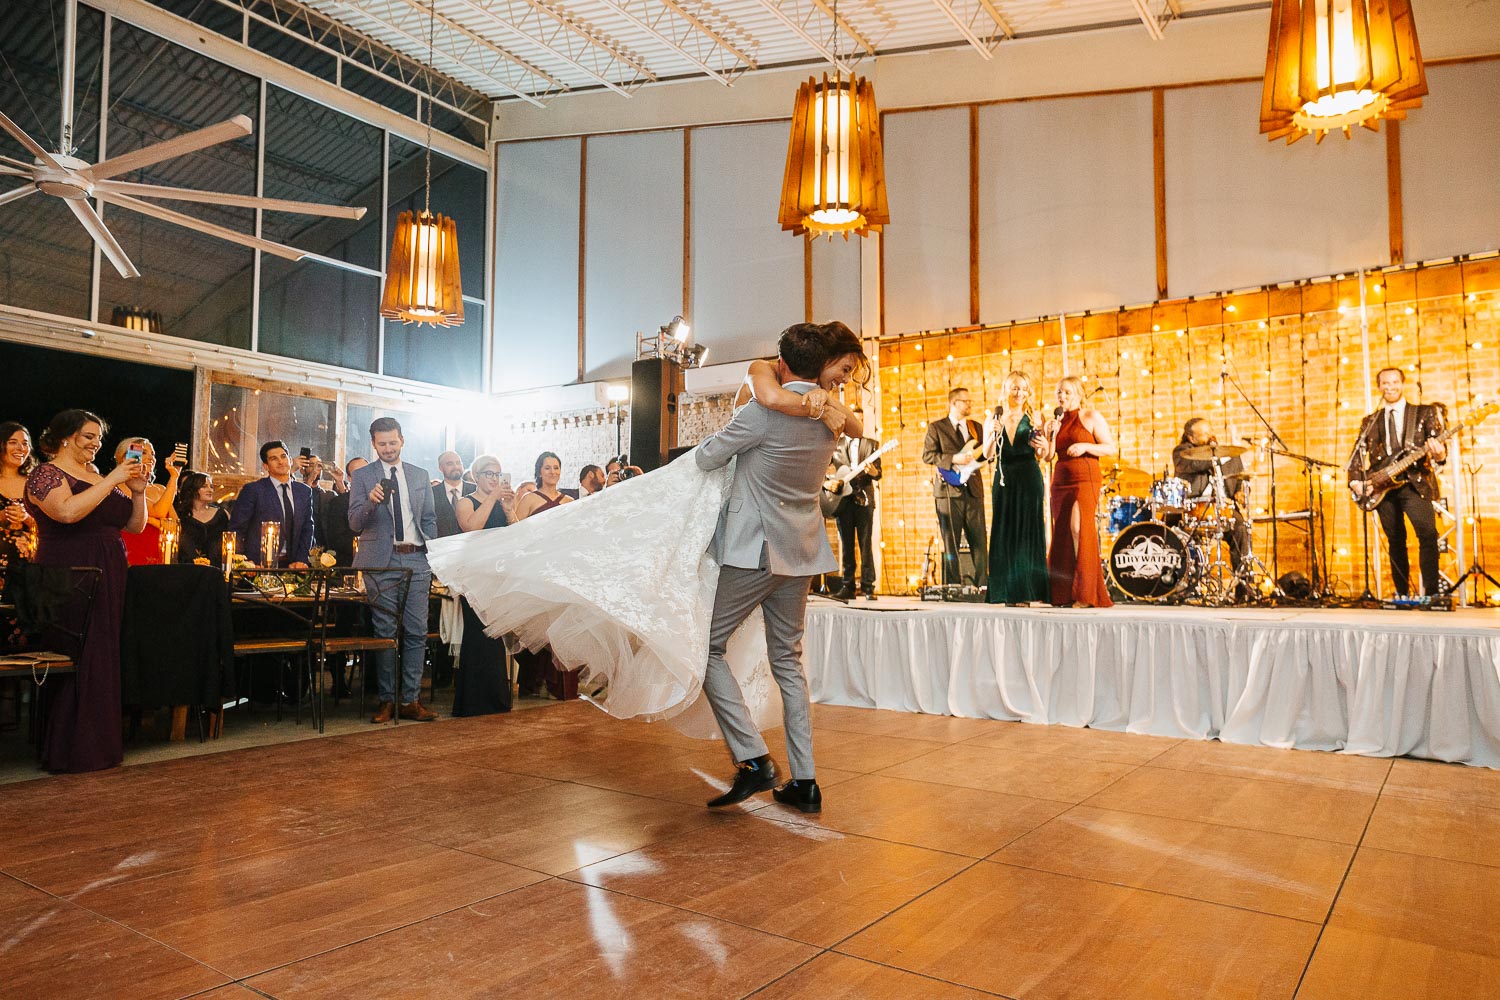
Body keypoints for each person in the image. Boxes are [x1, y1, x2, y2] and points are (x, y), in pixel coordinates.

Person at [426, 321, 867, 796]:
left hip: (754, 552)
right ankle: (806, 780)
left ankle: (753, 757)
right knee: (789, 660)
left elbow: (707, 458)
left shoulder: (762, 413)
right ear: (818, 366)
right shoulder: (831, 420)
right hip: (801, 553)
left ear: (782, 363)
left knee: (707, 647)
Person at [25, 409, 148, 772]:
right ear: (65, 436)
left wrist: (137, 492)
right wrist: (114, 478)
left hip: (109, 567)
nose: (95, 444)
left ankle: (100, 745)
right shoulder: (45, 474)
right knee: (81, 649)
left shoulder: (95, 475)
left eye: (98, 437)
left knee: (105, 651)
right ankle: (70, 748)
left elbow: (134, 526)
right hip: (70, 570)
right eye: (87, 436)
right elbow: (65, 512)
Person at [348, 417, 439, 723]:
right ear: (373, 444)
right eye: (382, 443)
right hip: (379, 562)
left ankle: (411, 700)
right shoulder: (362, 476)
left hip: (416, 559)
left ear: (402, 441)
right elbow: (354, 524)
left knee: (416, 632)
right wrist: (370, 503)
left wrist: (432, 551)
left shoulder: (420, 474)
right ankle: (387, 700)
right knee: (385, 632)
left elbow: (428, 518)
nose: (388, 448)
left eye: (393, 442)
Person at [1347, 367, 1447, 596]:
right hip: (1382, 487)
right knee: (1395, 540)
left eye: (1394, 382)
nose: (1390, 386)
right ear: (1379, 387)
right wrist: (1356, 483)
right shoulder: (1370, 421)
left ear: (1402, 384)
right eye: (1385, 383)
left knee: (1428, 535)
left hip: (1415, 483)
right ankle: (1402, 595)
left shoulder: (1424, 413)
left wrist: (1439, 453)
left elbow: (1440, 454)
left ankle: (1432, 594)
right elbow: (1355, 457)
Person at [1038, 375, 1116, 607]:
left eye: (1067, 392)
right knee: (1061, 532)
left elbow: (1110, 447)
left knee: (1078, 529)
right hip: (1061, 479)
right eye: (1059, 392)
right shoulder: (1055, 421)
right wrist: (1050, 435)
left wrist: (1085, 446)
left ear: (1078, 395)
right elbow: (1049, 456)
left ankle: (1085, 592)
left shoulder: (1091, 417)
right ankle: (1061, 592)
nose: (1062, 396)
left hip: (1085, 478)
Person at [450, 454, 517, 716]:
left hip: (499, 575)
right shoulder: (466, 502)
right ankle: (472, 701)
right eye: (489, 474)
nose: (495, 479)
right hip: (475, 575)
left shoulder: (503, 502)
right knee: (478, 635)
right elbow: (471, 528)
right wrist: (491, 498)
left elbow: (518, 536)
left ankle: (496, 699)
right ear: (476, 477)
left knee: (496, 634)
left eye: (498, 474)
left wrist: (510, 509)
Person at [983, 372, 1050, 605]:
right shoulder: (993, 417)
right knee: (1004, 531)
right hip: (1003, 477)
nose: (1019, 393)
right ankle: (1004, 591)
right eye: (1014, 388)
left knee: (1026, 532)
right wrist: (992, 433)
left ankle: (1025, 592)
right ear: (1005, 388)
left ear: (1028, 391)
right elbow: (987, 454)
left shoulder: (1035, 417)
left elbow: (1042, 454)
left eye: (1023, 388)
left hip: (1029, 476)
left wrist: (1043, 446)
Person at [922, 387, 988, 588]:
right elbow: (928, 456)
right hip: (947, 492)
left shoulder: (976, 427)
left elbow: (984, 455)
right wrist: (953, 459)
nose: (969, 404)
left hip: (973, 490)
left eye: (970, 401)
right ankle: (953, 585)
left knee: (979, 540)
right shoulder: (937, 428)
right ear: (953, 403)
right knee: (950, 542)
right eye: (965, 401)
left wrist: (990, 450)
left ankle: (983, 585)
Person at [1172, 418, 1250, 575]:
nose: (1211, 435)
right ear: (1191, 438)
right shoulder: (1182, 452)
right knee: (1175, 536)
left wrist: (1239, 493)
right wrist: (1220, 458)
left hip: (1223, 509)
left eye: (1210, 430)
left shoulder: (1228, 454)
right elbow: (1196, 464)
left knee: (1242, 529)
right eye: (1205, 433)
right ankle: (1183, 582)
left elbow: (1239, 479)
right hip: (1194, 510)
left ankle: (1244, 587)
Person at [227, 441, 315, 569]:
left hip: (293, 565)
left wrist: (302, 560)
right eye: (274, 459)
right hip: (258, 564)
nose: (281, 461)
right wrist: (244, 562)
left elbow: (308, 528)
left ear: (290, 460)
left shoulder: (304, 491)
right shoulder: (254, 490)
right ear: (266, 466)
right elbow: (237, 529)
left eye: (283, 456)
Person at [829, 408, 881, 600]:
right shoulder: (835, 445)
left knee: (865, 544)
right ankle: (848, 586)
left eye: (860, 420)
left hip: (864, 499)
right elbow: (823, 471)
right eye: (854, 420)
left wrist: (873, 471)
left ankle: (868, 587)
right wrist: (829, 483)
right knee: (847, 545)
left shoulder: (872, 445)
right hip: (842, 501)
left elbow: (879, 474)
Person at [114, 438, 185, 566]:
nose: (151, 458)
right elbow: (160, 511)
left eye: (152, 454)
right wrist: (174, 478)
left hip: (161, 556)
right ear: (125, 457)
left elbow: (175, 528)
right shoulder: (122, 486)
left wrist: (152, 521)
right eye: (143, 452)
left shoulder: (161, 489)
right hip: (133, 556)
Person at [0, 422, 38, 583]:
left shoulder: (35, 483)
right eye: (13, 442)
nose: (20, 448)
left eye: (25, 443)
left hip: (28, 568)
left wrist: (27, 518)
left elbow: (53, 525)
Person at [173, 470, 230, 564]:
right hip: (187, 571)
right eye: (204, 486)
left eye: (211, 487)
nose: (210, 490)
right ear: (192, 489)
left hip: (217, 572)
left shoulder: (222, 515)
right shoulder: (179, 516)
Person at [321, 457, 365, 564]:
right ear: (349, 478)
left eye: (366, 471)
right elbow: (337, 540)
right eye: (357, 473)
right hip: (351, 563)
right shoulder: (339, 503)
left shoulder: (383, 501)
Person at [514, 452, 573, 520]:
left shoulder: (569, 501)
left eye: (556, 468)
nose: (552, 472)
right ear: (539, 472)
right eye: (547, 468)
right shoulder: (528, 499)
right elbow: (515, 528)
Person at [431, 450, 472, 538]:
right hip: (442, 547)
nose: (456, 467)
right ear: (440, 468)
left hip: (472, 546)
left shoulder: (476, 490)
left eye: (458, 463)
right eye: (450, 464)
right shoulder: (431, 494)